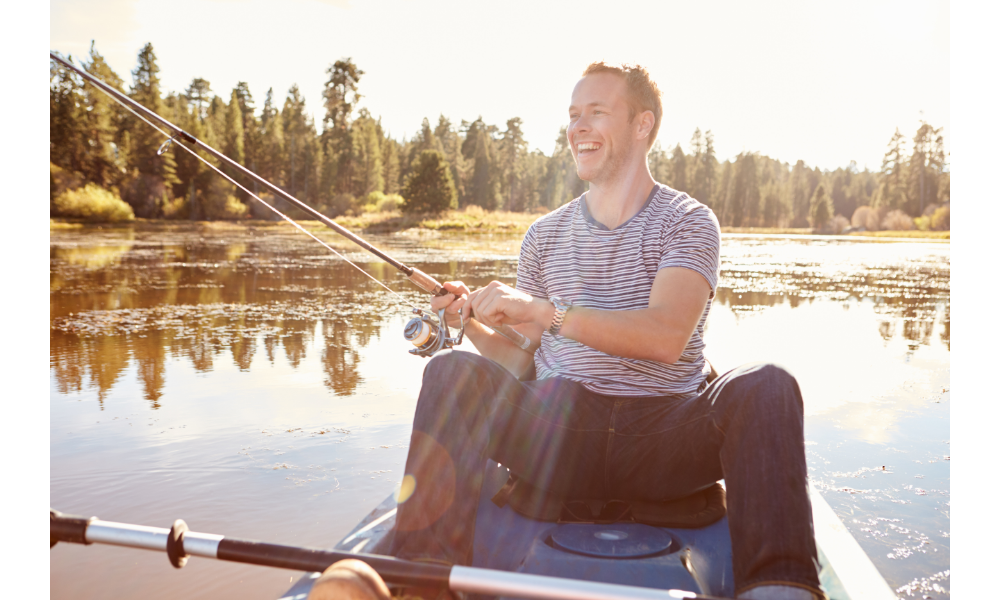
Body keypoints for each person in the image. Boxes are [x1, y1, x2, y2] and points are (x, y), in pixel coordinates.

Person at [380, 62, 825, 600]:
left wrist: (545, 311)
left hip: (663, 438)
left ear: (643, 125)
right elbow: (523, 363)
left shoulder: (688, 221)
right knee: (450, 371)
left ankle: (781, 588)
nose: (578, 128)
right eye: (572, 115)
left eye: (596, 112)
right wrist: (470, 323)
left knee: (768, 384)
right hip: (560, 434)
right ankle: (420, 581)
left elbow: (665, 337)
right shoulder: (543, 236)